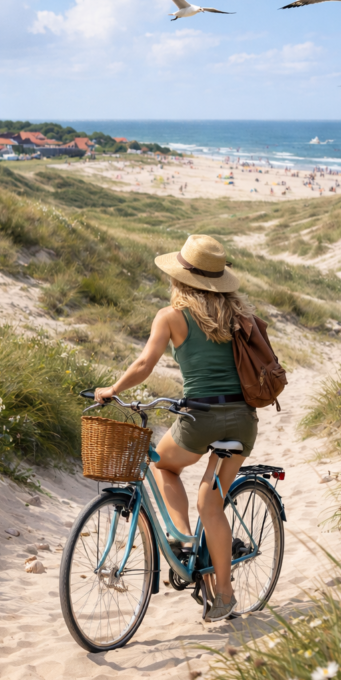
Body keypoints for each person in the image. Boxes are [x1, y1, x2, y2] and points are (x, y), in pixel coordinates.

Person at [95, 235, 259, 623]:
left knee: (164, 466)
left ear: (180, 278)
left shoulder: (171, 316)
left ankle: (185, 542)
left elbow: (143, 363)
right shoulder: (240, 317)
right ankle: (217, 584)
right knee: (212, 502)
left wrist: (112, 390)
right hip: (242, 421)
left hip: (199, 421)